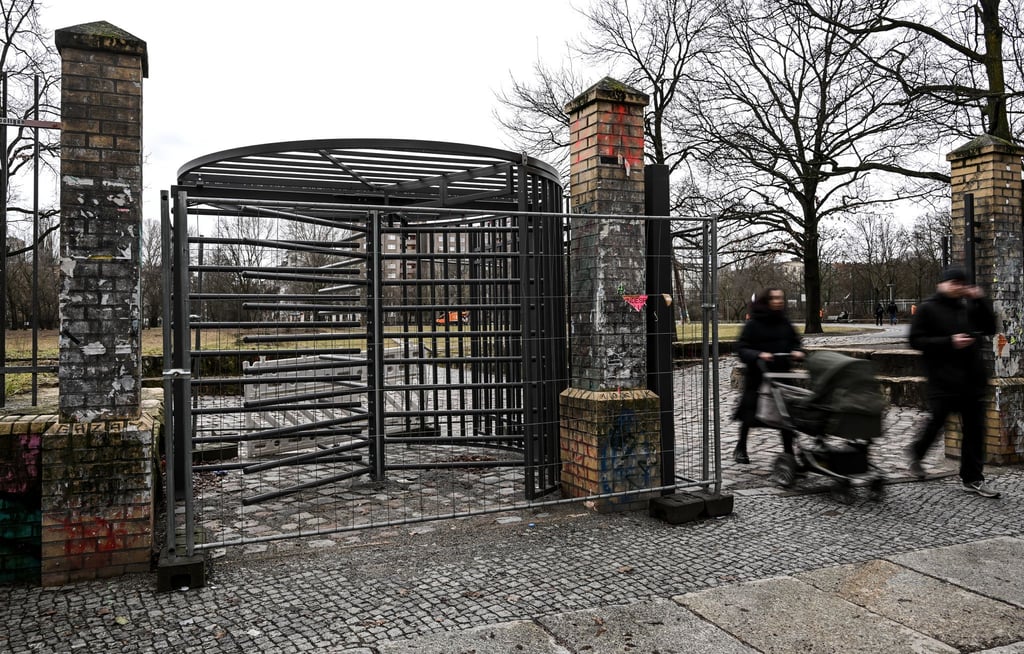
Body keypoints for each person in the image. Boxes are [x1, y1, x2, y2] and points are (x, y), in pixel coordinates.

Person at [907, 265, 999, 497]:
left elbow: (990, 327)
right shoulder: (928, 308)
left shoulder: (968, 307)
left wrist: (980, 301)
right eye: (954, 283)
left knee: (975, 430)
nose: (958, 287)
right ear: (943, 284)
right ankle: (917, 453)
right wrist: (949, 342)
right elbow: (915, 340)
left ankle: (972, 478)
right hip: (942, 379)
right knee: (936, 422)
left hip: (971, 379)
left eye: (962, 283)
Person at [732, 287, 805, 466]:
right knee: (750, 413)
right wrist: (758, 355)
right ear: (767, 301)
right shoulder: (753, 324)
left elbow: (796, 343)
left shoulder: (785, 323)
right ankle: (741, 446)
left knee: (786, 415)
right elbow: (742, 348)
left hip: (781, 375)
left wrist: (797, 352)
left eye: (781, 298)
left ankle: (789, 453)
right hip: (758, 375)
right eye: (774, 298)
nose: (778, 301)